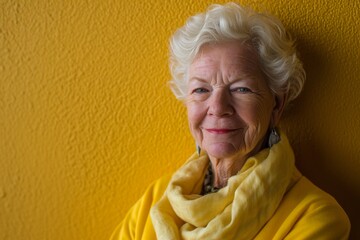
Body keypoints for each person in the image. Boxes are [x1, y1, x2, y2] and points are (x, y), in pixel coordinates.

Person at [111, 3, 350, 239]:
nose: (217, 108)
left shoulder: (314, 216)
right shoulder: (156, 201)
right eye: (201, 90)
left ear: (276, 104)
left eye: (241, 89)